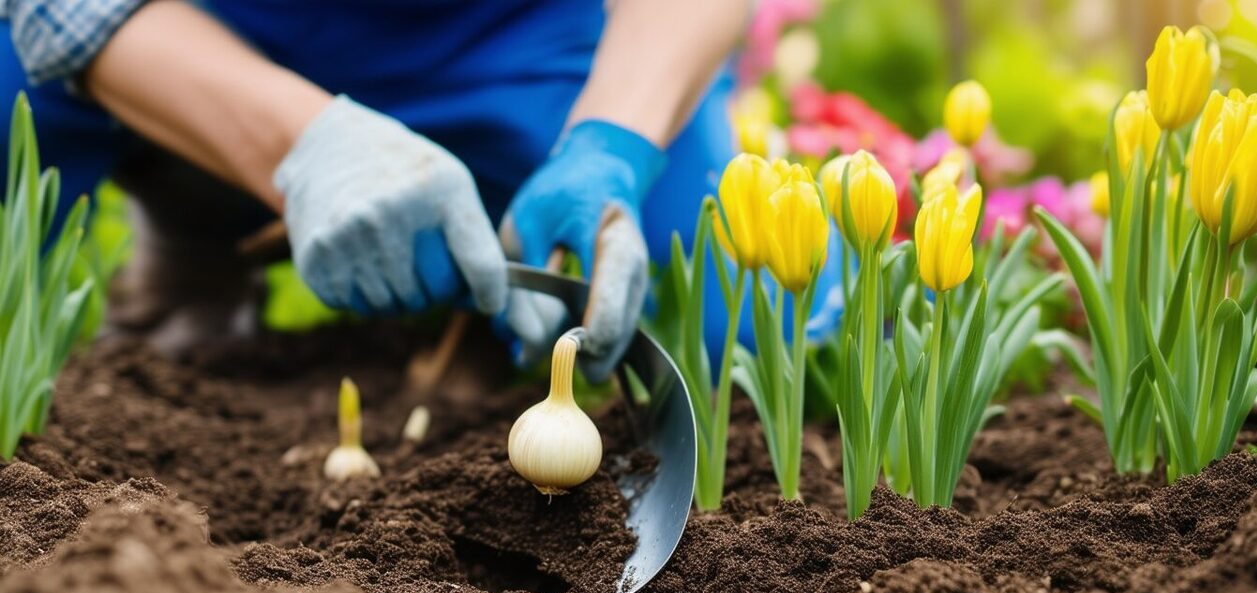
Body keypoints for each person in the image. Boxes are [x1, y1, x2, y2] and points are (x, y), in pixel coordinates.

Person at [0, 0, 843, 381]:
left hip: (507, 30)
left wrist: (611, 146)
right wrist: (305, 150)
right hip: (203, 24)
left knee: (747, 318)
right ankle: (198, 222)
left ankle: (486, 299)